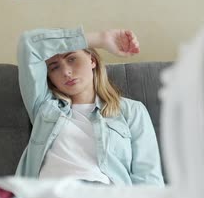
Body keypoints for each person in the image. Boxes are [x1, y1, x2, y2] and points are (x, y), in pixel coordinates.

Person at [15, 26, 164, 186]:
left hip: (102, 196)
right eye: (55, 67)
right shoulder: (44, 106)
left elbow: (148, 178)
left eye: (72, 58)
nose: (66, 72)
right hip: (47, 195)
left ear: (92, 60)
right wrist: (102, 38)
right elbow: (28, 43)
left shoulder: (132, 111)